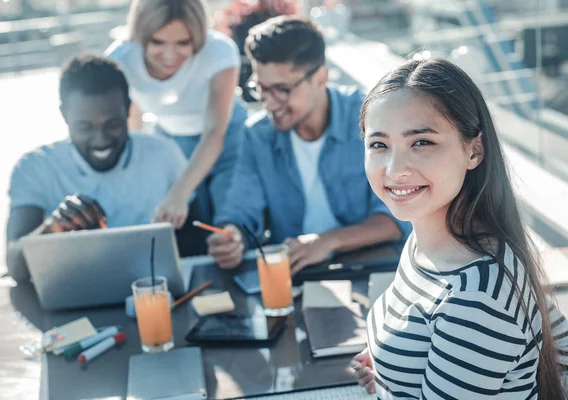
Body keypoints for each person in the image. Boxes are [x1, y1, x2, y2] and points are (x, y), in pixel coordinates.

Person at [351, 58, 568, 399]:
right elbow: (560, 347)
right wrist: (391, 370)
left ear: (474, 150)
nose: (394, 170)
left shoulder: (475, 296)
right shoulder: (432, 240)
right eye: (379, 145)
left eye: (421, 142)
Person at [207, 16, 410, 275]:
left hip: (373, 268)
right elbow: (240, 211)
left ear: (321, 78)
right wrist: (231, 237)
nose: (269, 102)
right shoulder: (258, 136)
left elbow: (397, 216)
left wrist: (327, 241)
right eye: (261, 89)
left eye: (282, 89)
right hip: (299, 273)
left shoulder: (368, 118)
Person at [6, 55, 204, 282]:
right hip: (71, 296)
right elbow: (15, 265)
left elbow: (197, 240)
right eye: (84, 127)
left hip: (154, 291)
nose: (100, 140)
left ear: (128, 109)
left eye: (112, 124)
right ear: (64, 115)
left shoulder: (164, 154)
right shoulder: (34, 167)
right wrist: (53, 228)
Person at [106, 0, 247, 228]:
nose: (169, 54)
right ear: (141, 36)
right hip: (171, 141)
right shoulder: (121, 60)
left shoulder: (219, 51)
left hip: (228, 138)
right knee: (187, 222)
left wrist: (179, 193)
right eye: (157, 42)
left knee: (229, 220)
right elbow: (133, 131)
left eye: (183, 42)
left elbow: (214, 133)